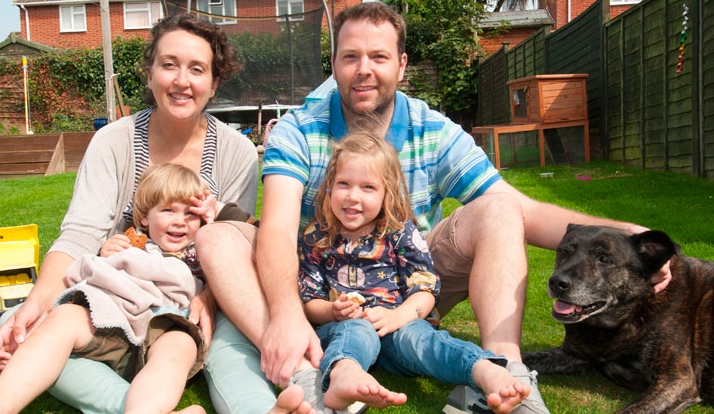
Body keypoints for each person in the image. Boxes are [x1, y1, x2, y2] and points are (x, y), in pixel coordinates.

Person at [256, 2, 671, 412]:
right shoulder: (299, 129)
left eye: (378, 57)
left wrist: (626, 234)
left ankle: (507, 372)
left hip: (412, 278)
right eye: (350, 57)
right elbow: (277, 228)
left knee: (499, 207)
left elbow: (521, 209)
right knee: (233, 234)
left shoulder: (432, 129)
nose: (364, 69)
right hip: (326, 286)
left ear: (401, 65)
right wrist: (289, 311)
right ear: (334, 65)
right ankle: (328, 365)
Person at [0, 13, 309, 414]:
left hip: (193, 300)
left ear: (214, 82)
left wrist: (210, 299)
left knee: (228, 348)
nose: (182, 80)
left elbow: (234, 246)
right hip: (116, 295)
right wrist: (39, 301)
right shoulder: (113, 141)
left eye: (197, 69)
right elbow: (79, 234)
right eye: (169, 65)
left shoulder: (236, 152)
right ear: (149, 74)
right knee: (23, 327)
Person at [298, 131, 531, 413]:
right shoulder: (317, 237)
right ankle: (345, 373)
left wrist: (397, 317)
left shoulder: (399, 231)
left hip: (399, 326)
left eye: (368, 187)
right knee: (355, 331)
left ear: (386, 193)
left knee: (424, 341)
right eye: (343, 184)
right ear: (330, 187)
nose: (352, 196)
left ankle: (484, 369)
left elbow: (425, 290)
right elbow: (310, 301)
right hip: (345, 329)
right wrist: (333, 311)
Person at [0, 163, 224, 414]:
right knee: (64, 317)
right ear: (144, 217)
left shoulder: (203, 251)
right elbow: (92, 276)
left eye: (190, 214)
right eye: (168, 210)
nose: (180, 221)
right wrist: (106, 254)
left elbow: (225, 278)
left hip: (166, 328)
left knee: (178, 346)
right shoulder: (129, 245)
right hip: (114, 323)